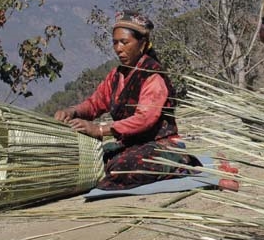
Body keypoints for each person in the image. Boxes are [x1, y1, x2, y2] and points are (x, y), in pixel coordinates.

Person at [54, 10, 198, 190]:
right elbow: (94, 104)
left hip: (161, 145)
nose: (118, 48)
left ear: (142, 44)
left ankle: (178, 164)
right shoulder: (116, 75)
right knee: (91, 158)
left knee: (121, 169)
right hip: (131, 145)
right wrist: (72, 112)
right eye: (115, 43)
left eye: (124, 42)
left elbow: (144, 119)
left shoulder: (152, 76)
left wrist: (100, 129)